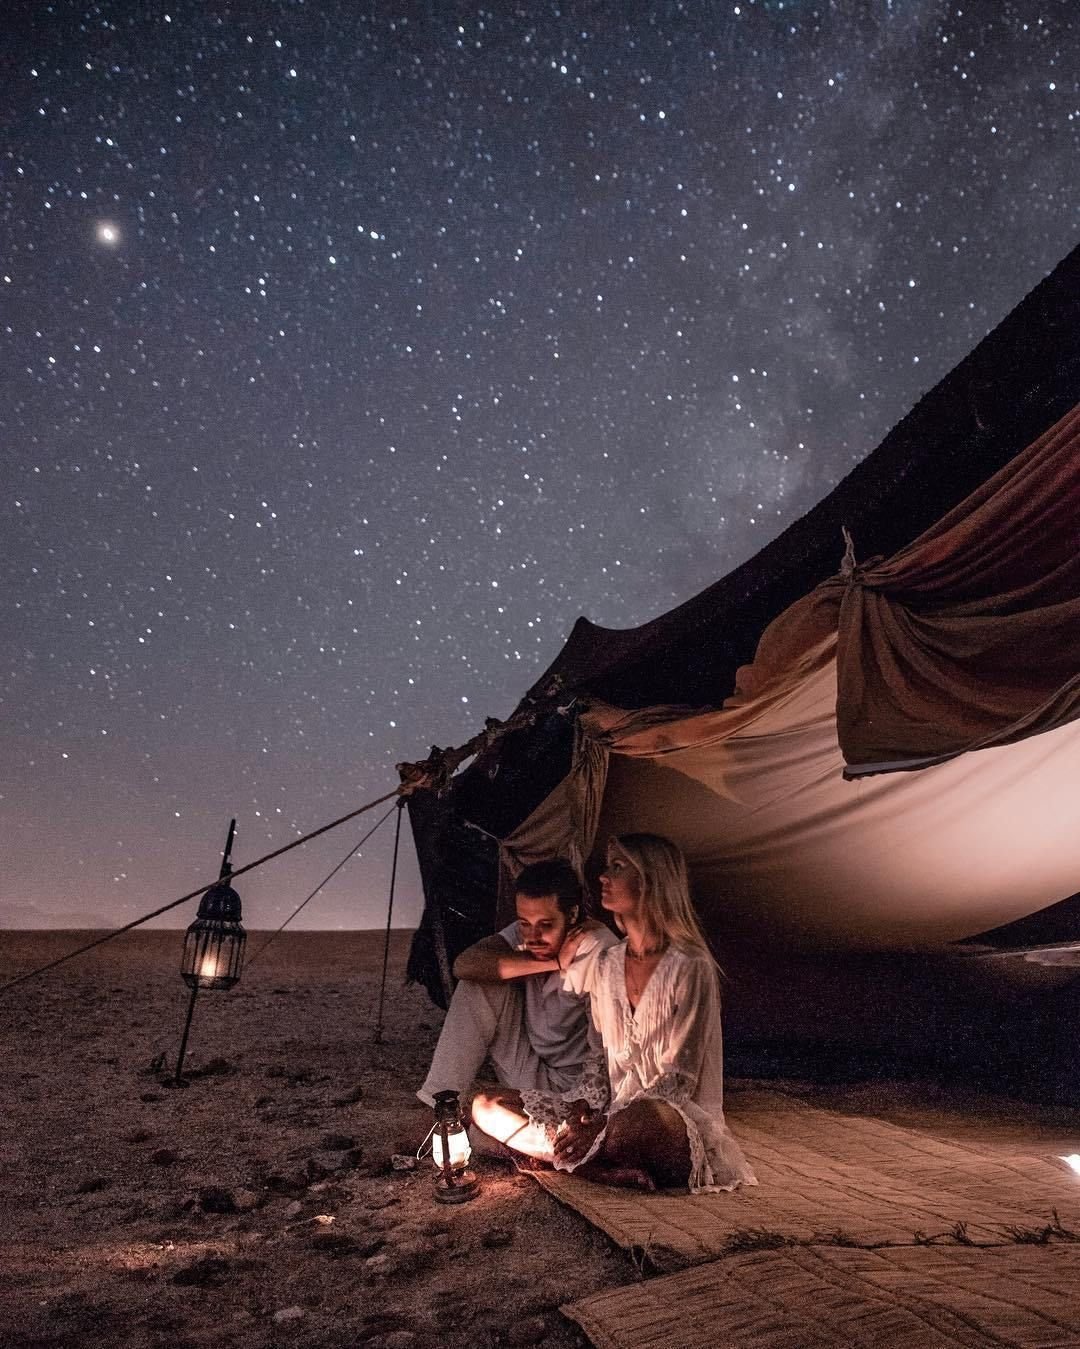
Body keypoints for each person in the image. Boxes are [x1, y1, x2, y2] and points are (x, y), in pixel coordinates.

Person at [471, 833, 757, 1194]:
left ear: (652, 880)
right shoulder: (607, 964)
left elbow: (677, 1082)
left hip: (670, 1124)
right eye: (607, 867)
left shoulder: (690, 965)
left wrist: (601, 1125)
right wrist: (580, 1108)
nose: (603, 877)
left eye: (618, 867)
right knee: (487, 1105)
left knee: (642, 1121)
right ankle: (594, 1167)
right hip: (609, 1113)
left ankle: (578, 1154)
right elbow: (598, 1057)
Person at [417, 858, 617, 1110]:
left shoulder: (597, 949)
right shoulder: (526, 934)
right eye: (525, 924)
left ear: (572, 914)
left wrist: (589, 1113)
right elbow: (464, 965)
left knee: (487, 1122)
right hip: (532, 1066)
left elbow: (608, 1053)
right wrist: (553, 962)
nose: (533, 937)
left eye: (545, 925)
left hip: (579, 1090)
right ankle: (440, 1107)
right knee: (479, 983)